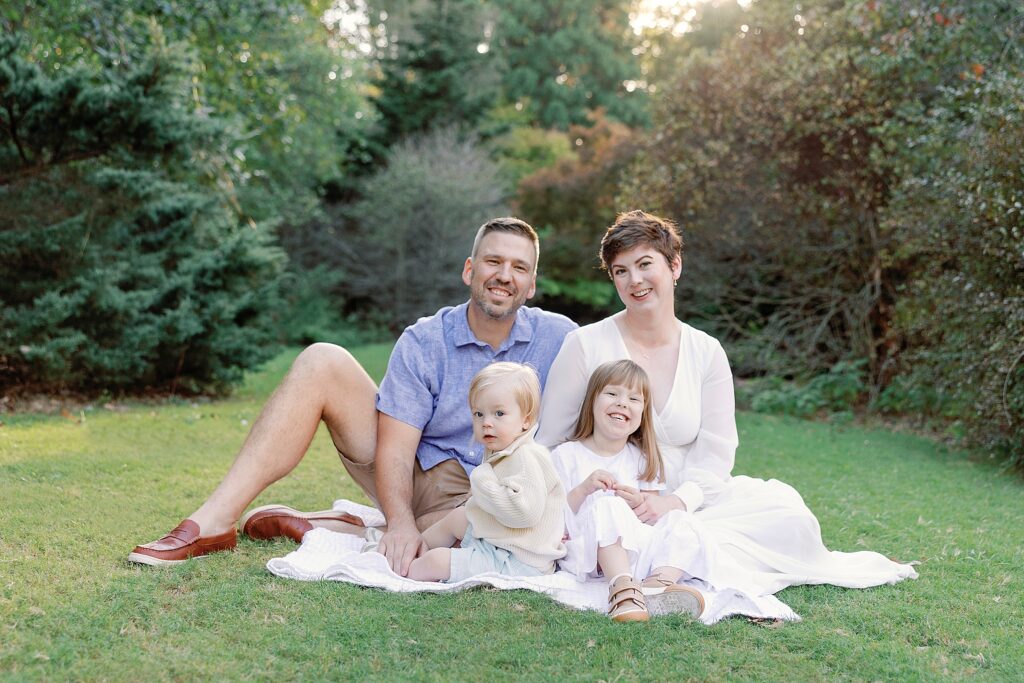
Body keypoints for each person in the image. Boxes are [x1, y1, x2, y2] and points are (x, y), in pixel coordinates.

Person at [129, 217, 576, 577]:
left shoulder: (561, 337)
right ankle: (213, 520)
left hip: (494, 492)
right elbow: (396, 449)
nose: (504, 275)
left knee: (460, 542)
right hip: (420, 475)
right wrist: (400, 521)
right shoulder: (425, 340)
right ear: (469, 270)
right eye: (493, 261)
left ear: (532, 284)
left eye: (519, 267)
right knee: (323, 359)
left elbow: (620, 382)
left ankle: (336, 525)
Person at [536, 210, 917, 609]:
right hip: (611, 499)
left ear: (675, 265)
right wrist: (564, 508)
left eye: (645, 264)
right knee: (630, 526)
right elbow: (550, 442)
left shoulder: (706, 351)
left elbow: (716, 453)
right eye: (620, 271)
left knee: (786, 514)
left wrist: (675, 502)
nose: (635, 281)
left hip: (689, 501)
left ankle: (664, 580)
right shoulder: (585, 345)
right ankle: (643, 575)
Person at [552, 359, 704, 623]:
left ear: (643, 413)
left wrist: (639, 503)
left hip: (635, 554)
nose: (622, 402)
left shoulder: (642, 458)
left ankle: (656, 585)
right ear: (592, 402)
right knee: (607, 505)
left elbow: (652, 517)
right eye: (612, 393)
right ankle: (622, 590)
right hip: (587, 550)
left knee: (683, 519)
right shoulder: (567, 455)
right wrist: (584, 489)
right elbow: (557, 514)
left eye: (634, 399)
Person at [402, 362, 566, 583]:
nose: (486, 423)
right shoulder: (504, 450)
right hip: (505, 541)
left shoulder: (527, 457)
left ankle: (404, 572)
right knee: (458, 518)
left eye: (499, 413)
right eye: (479, 414)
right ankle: (410, 550)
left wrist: (482, 478)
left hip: (519, 561)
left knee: (437, 562)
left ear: (526, 420)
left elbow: (524, 513)